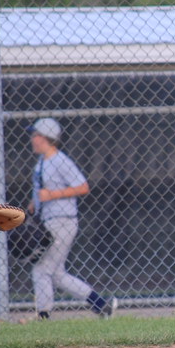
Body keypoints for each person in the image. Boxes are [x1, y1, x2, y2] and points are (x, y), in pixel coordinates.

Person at [27, 118, 115, 319]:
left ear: (45, 138)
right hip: (48, 220)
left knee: (41, 269)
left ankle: (43, 315)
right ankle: (101, 305)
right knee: (57, 274)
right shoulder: (42, 162)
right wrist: (32, 206)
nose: (32, 139)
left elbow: (83, 186)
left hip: (62, 220)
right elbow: (40, 192)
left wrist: (52, 195)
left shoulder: (60, 160)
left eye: (35, 135)